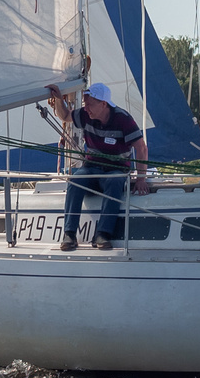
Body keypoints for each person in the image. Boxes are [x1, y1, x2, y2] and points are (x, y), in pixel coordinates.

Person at [45, 82, 148, 252]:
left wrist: (141, 179)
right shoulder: (86, 115)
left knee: (114, 182)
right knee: (76, 180)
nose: (86, 108)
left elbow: (141, 148)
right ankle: (69, 234)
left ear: (103, 104)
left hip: (116, 169)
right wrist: (58, 99)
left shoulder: (123, 119)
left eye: (90, 104)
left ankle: (102, 234)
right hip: (92, 167)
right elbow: (65, 116)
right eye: (85, 104)